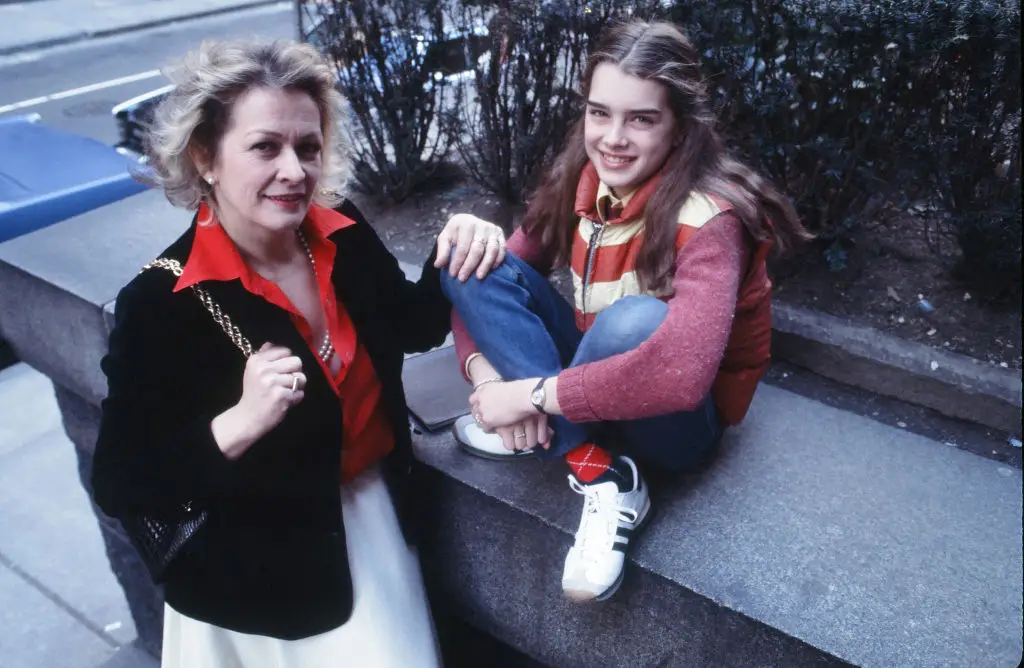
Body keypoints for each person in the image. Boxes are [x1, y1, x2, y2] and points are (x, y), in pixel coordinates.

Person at [90, 39, 504, 667]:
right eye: (265, 147)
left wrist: (461, 244)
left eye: (307, 147)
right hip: (260, 586)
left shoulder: (340, 230)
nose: (295, 171)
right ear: (205, 156)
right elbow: (122, 482)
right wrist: (237, 424)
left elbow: (409, 324)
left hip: (375, 527)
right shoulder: (161, 302)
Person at [441, 20, 810, 604]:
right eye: (599, 113)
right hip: (591, 385)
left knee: (632, 322)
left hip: (677, 424)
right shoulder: (582, 177)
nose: (613, 138)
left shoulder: (711, 218)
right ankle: (594, 462)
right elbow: (492, 280)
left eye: (641, 119)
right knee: (468, 257)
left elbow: (681, 377)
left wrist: (529, 396)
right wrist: (490, 384)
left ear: (680, 126)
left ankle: (578, 457)